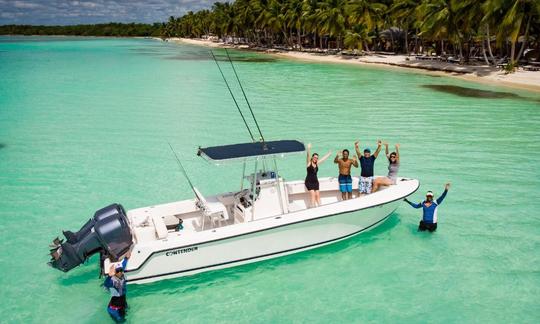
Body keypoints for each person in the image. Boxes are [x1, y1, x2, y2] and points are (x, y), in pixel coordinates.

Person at [104, 252, 130, 322]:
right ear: (115, 272)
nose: (120, 272)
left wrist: (126, 258)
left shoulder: (121, 275)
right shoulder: (113, 280)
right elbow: (106, 284)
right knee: (121, 321)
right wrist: (109, 276)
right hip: (115, 309)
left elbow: (123, 265)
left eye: (121, 270)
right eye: (118, 271)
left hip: (122, 304)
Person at [305, 143, 332, 207]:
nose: (315, 159)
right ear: (312, 157)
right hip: (309, 182)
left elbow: (323, 159)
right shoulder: (309, 163)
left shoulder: (316, 163)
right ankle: (312, 207)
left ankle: (320, 207)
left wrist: (329, 154)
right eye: (314, 157)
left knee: (317, 195)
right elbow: (308, 156)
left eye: (317, 158)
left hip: (315, 182)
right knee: (313, 195)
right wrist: (308, 149)